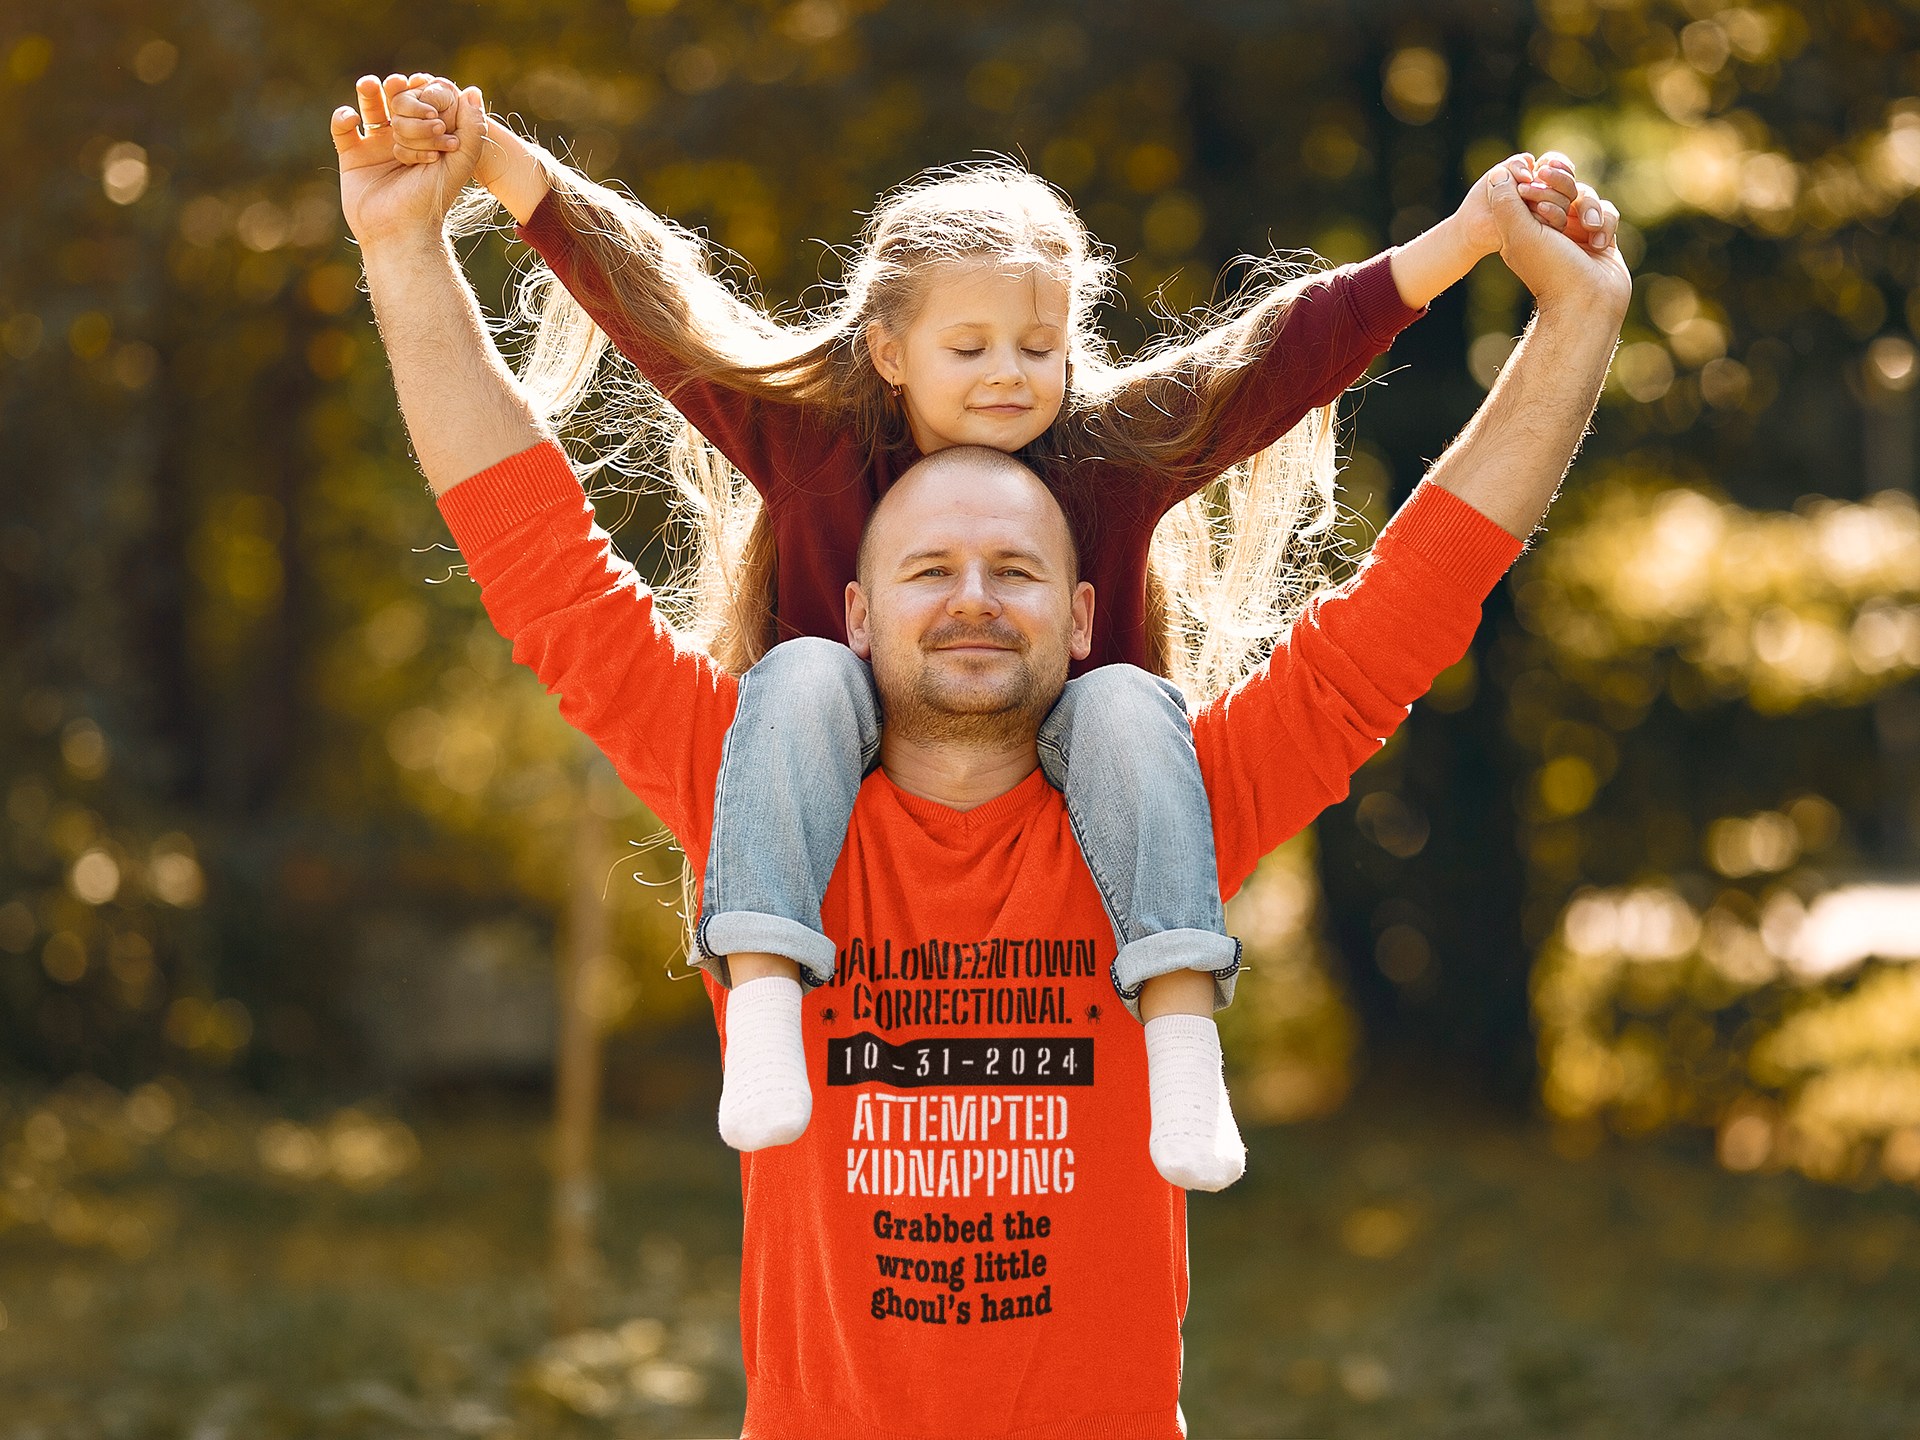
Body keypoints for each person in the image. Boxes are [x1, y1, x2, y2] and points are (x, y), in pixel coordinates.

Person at [333, 81, 1629, 1437]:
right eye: (927, 568)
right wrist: (404, 245)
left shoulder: (1164, 818)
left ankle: (1186, 1033)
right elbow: (539, 558)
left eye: (1015, 568)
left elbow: (1416, 596)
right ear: (852, 612)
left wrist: (1579, 317)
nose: (970, 597)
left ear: (1082, 615)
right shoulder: (760, 797)